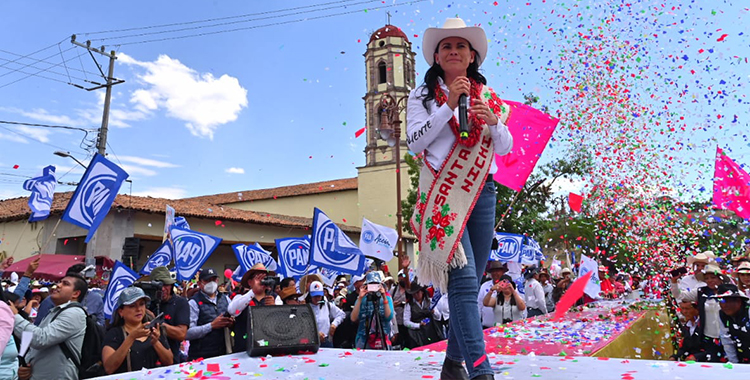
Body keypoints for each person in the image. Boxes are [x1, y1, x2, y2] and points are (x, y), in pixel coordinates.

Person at [406, 17, 513, 380]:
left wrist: (495, 122)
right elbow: (415, 142)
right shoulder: (421, 96)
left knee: (474, 277)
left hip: (483, 192)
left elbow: (506, 148)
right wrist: (448, 105)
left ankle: (452, 363)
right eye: (447, 46)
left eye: (461, 46)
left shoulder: (488, 96)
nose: (454, 51)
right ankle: (481, 371)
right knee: (465, 283)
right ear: (436, 56)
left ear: (472, 57)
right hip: (443, 195)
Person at [10, 272, 87, 380]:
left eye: (65, 284)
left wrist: (15, 316)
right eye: (59, 282)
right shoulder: (55, 312)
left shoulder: (74, 313)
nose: (58, 285)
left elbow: (41, 338)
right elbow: (35, 344)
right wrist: (26, 366)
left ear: (76, 294)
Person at [102, 287, 173, 374]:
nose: (138, 309)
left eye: (142, 304)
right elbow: (109, 368)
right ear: (121, 312)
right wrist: (131, 337)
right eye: (132, 306)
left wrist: (155, 342)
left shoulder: (154, 329)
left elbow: (169, 362)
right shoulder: (114, 334)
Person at [671, 263, 727, 362]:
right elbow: (679, 295)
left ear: (720, 278)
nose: (709, 280)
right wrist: (674, 281)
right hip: (709, 335)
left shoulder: (729, 291)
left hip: (727, 334)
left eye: (712, 277)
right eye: (707, 278)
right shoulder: (701, 291)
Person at [227, 263, 276, 353]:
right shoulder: (240, 297)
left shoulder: (275, 298)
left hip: (268, 347)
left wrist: (274, 308)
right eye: (258, 277)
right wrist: (253, 291)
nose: (262, 280)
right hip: (244, 348)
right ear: (250, 282)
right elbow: (232, 310)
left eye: (264, 277)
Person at [186, 268, 233, 360]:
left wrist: (232, 324)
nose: (211, 283)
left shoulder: (226, 299)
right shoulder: (193, 303)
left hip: (224, 353)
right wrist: (211, 325)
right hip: (201, 356)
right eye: (207, 280)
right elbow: (188, 333)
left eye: (214, 280)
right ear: (200, 283)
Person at [148, 266, 189, 364]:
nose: (162, 289)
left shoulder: (180, 303)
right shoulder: (146, 303)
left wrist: (154, 321)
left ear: (171, 286)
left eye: (166, 284)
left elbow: (181, 334)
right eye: (158, 285)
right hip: (147, 361)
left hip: (171, 361)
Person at [350, 271, 394, 349]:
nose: (374, 288)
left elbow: (389, 317)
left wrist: (384, 297)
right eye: (371, 285)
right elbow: (353, 318)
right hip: (364, 338)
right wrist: (360, 298)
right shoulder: (362, 299)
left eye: (376, 285)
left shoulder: (387, 298)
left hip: (382, 336)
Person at [670, 292, 712, 361]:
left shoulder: (705, 325)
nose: (684, 312)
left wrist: (696, 357)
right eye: (682, 308)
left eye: (687, 309)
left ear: (697, 309)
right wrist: (674, 356)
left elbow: (711, 349)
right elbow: (684, 347)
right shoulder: (686, 326)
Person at [714, 283, 750, 363]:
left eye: (728, 301)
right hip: (742, 357)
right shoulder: (722, 315)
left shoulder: (748, 311)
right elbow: (726, 340)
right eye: (721, 301)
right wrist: (734, 363)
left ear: (738, 301)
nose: (724, 305)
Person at [403, 281, 444, 348]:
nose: (416, 295)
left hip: (430, 332)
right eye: (414, 293)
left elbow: (438, 317)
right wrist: (418, 325)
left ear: (422, 292)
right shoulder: (409, 305)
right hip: (416, 334)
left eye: (417, 292)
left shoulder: (430, 302)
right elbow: (406, 322)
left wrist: (434, 312)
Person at [306, 281, 346, 348]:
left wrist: (334, 324)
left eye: (319, 296)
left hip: (326, 341)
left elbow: (341, 314)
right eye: (315, 296)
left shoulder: (327, 305)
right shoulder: (305, 307)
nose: (317, 298)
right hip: (311, 341)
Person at [477, 261, 508, 328]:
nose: (495, 273)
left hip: (504, 327)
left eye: (497, 271)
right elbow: (479, 304)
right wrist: (477, 321)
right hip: (486, 326)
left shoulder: (509, 286)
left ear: (502, 272)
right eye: (493, 271)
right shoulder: (484, 286)